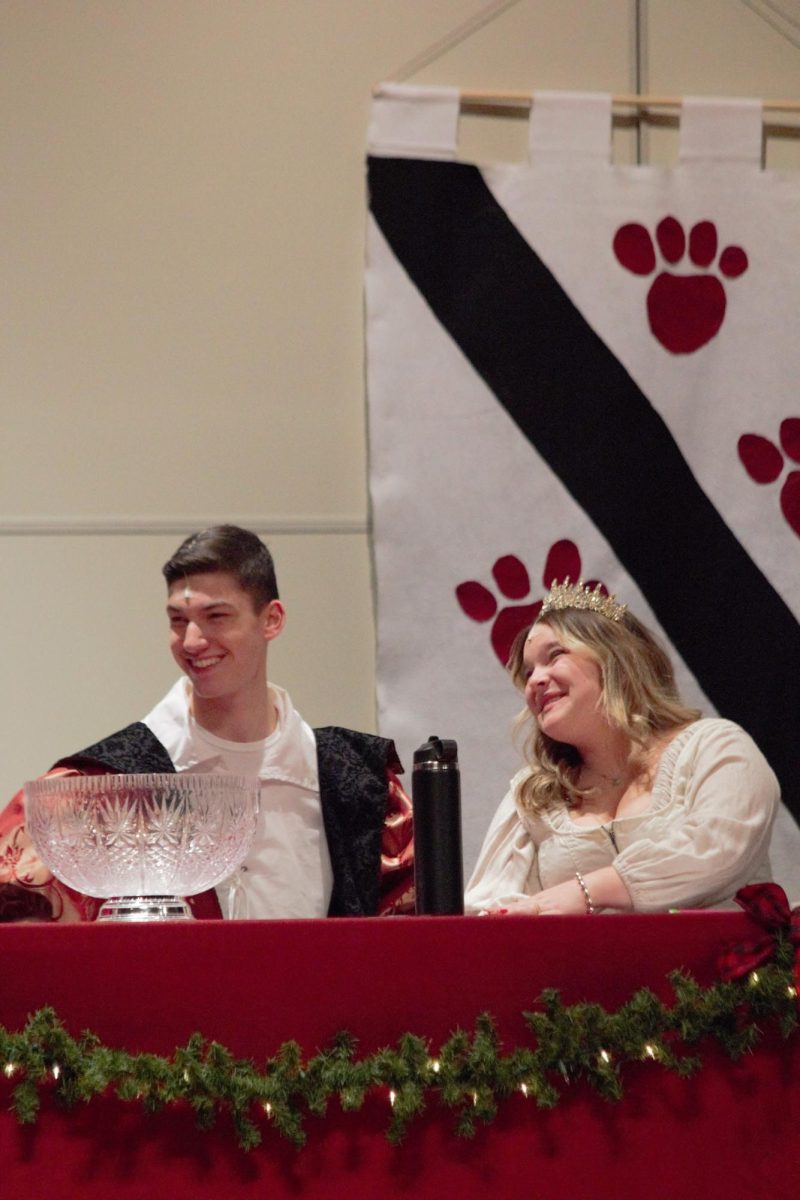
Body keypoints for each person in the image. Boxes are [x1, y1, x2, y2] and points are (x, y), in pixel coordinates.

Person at [0, 525, 413, 922]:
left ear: (272, 620)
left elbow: (411, 940)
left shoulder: (359, 783)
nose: (192, 642)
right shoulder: (100, 785)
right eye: (178, 620)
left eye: (216, 616)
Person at [465, 578, 778, 915]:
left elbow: (720, 850)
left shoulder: (714, 747)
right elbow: (488, 907)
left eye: (554, 656)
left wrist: (584, 892)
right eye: (528, 673)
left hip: (714, 967)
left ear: (615, 659)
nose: (535, 681)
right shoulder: (533, 795)